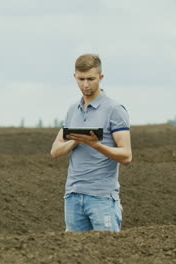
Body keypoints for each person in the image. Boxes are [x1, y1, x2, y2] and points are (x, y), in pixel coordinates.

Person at [50, 54, 132, 232]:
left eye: (91, 79)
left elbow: (126, 156)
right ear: (74, 77)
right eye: (81, 79)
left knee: (107, 253)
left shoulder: (114, 110)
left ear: (101, 78)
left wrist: (96, 145)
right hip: (73, 196)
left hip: (101, 197)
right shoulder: (73, 110)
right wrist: (74, 142)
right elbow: (55, 151)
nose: (85, 84)